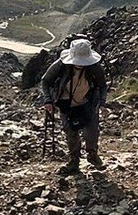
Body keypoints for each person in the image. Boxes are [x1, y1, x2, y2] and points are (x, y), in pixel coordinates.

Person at [41, 37, 109, 175]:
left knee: (91, 132)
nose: (80, 64)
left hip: (89, 103)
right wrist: (48, 100)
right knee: (71, 133)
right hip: (67, 104)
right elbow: (46, 80)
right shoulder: (61, 65)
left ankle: (92, 156)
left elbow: (102, 85)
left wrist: (101, 103)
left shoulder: (95, 67)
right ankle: (74, 162)